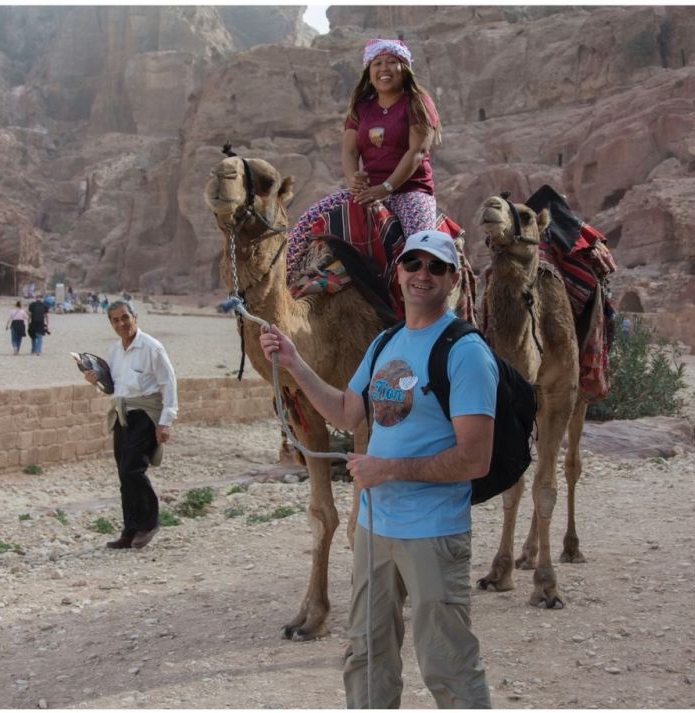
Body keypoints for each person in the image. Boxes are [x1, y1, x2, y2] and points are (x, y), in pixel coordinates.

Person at [259, 230, 497, 708]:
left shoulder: (465, 352)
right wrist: (295, 362)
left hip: (432, 531)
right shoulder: (386, 342)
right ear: (399, 272)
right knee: (366, 657)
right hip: (374, 529)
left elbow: (475, 458)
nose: (422, 275)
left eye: (435, 266)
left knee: (447, 664)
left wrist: (388, 469)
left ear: (452, 277)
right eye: (413, 264)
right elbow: (348, 411)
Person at [286, 37, 441, 282]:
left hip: (410, 191)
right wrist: (354, 182)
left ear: (405, 68)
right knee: (307, 222)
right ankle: (288, 287)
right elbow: (349, 152)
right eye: (377, 63)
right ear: (369, 72)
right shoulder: (361, 108)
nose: (384, 69)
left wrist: (386, 188)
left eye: (392, 62)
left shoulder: (417, 102)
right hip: (368, 192)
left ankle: (430, 312)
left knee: (421, 247)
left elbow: (417, 152)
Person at [85, 299, 178, 550]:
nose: (121, 323)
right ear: (111, 323)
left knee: (132, 470)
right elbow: (113, 388)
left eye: (125, 317)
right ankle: (130, 530)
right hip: (122, 415)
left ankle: (148, 523)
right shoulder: (115, 351)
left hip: (145, 414)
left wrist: (165, 421)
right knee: (123, 474)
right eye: (115, 320)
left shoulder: (152, 347)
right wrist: (94, 379)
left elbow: (168, 383)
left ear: (135, 317)